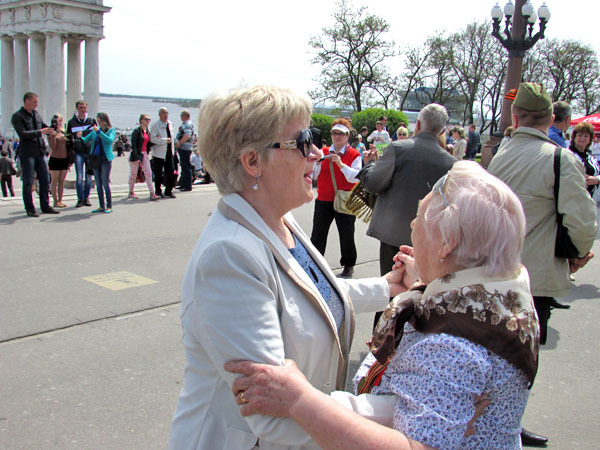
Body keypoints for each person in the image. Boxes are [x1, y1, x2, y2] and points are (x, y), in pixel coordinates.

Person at [225, 161, 540, 450]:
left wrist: (299, 401)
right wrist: (430, 281)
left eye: (419, 218)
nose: (412, 226)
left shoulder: (451, 345)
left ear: (446, 245)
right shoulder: (501, 300)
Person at [168, 85, 403, 450]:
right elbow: (272, 412)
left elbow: (311, 295)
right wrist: (401, 409)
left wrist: (389, 287)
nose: (318, 153)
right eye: (304, 142)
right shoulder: (228, 256)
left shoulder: (278, 219)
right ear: (252, 162)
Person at [489, 82, 597, 447]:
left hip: (494, 271)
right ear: (551, 118)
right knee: (523, 357)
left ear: (516, 117)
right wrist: (578, 254)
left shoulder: (501, 154)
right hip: (533, 277)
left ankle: (492, 419)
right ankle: (506, 425)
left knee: (494, 349)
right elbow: (583, 222)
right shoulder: (560, 159)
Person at [358, 103, 455, 327]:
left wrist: (369, 164)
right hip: (428, 239)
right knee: (420, 292)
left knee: (390, 290)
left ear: (417, 124)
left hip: (393, 234)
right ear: (442, 130)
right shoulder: (451, 162)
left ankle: (381, 336)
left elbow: (373, 183)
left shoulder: (398, 148)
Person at [311, 118, 362, 278]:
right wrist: (317, 163)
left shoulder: (354, 154)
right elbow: (314, 175)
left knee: (347, 234)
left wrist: (341, 165)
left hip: (345, 199)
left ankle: (348, 264)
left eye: (341, 134)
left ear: (347, 136)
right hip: (324, 199)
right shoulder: (323, 152)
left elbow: (355, 178)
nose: (337, 136)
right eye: (334, 133)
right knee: (318, 234)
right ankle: (315, 263)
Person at [11, 92, 59, 217]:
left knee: (45, 179)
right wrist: (41, 131)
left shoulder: (36, 114)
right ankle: (30, 208)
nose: (37, 104)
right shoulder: (17, 116)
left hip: (40, 151)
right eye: (35, 102)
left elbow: (43, 127)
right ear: (27, 101)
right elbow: (23, 134)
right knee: (28, 181)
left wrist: (51, 129)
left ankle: (45, 205)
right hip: (27, 153)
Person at [81, 112, 115, 213]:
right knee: (98, 183)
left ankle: (109, 205)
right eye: (98, 121)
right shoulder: (95, 130)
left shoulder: (111, 130)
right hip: (96, 159)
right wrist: (79, 137)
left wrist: (100, 132)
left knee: (105, 182)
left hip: (105, 159)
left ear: (105, 120)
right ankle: (101, 205)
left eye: (100, 121)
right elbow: (85, 140)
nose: (99, 123)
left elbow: (109, 140)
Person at [66, 100, 96, 208]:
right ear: (77, 109)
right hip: (78, 152)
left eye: (84, 107)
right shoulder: (72, 122)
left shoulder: (91, 121)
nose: (82, 109)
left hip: (89, 151)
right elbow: (68, 137)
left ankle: (86, 197)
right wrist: (74, 141)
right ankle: (80, 198)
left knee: (89, 177)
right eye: (80, 107)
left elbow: (96, 135)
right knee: (79, 176)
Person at [129, 114, 159, 201]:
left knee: (148, 173)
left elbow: (148, 144)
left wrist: (157, 140)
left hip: (145, 154)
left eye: (149, 119)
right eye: (146, 119)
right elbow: (133, 145)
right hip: (137, 154)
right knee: (133, 174)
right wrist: (136, 157)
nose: (148, 121)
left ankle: (152, 193)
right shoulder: (136, 131)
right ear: (141, 120)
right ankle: (131, 191)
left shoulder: (147, 132)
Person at [568, 122, 600, 198]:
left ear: (590, 139)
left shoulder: (591, 157)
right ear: (574, 137)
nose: (582, 139)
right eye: (580, 135)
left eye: (586, 136)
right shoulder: (567, 154)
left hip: (591, 198)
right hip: (572, 197)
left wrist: (597, 179)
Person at [150, 107, 176, 198]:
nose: (166, 115)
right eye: (164, 113)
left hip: (169, 152)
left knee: (171, 172)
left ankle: (168, 190)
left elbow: (172, 139)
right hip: (159, 153)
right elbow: (153, 139)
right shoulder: (155, 125)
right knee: (158, 173)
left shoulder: (170, 124)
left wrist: (173, 150)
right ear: (160, 115)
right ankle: (158, 191)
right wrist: (164, 140)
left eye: (167, 113)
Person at [47, 114, 70, 208]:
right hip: (55, 158)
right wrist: (53, 136)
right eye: (57, 121)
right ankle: (55, 201)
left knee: (61, 181)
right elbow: (52, 146)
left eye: (60, 121)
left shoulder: (63, 131)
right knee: (54, 181)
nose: (59, 123)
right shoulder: (51, 132)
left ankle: (60, 200)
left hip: (64, 158)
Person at [175, 110, 194, 192]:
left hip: (185, 147)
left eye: (182, 115)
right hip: (183, 147)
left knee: (186, 166)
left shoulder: (187, 124)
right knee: (183, 166)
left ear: (186, 116)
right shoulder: (185, 124)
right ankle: (183, 184)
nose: (181, 117)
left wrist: (179, 142)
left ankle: (188, 185)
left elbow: (187, 135)